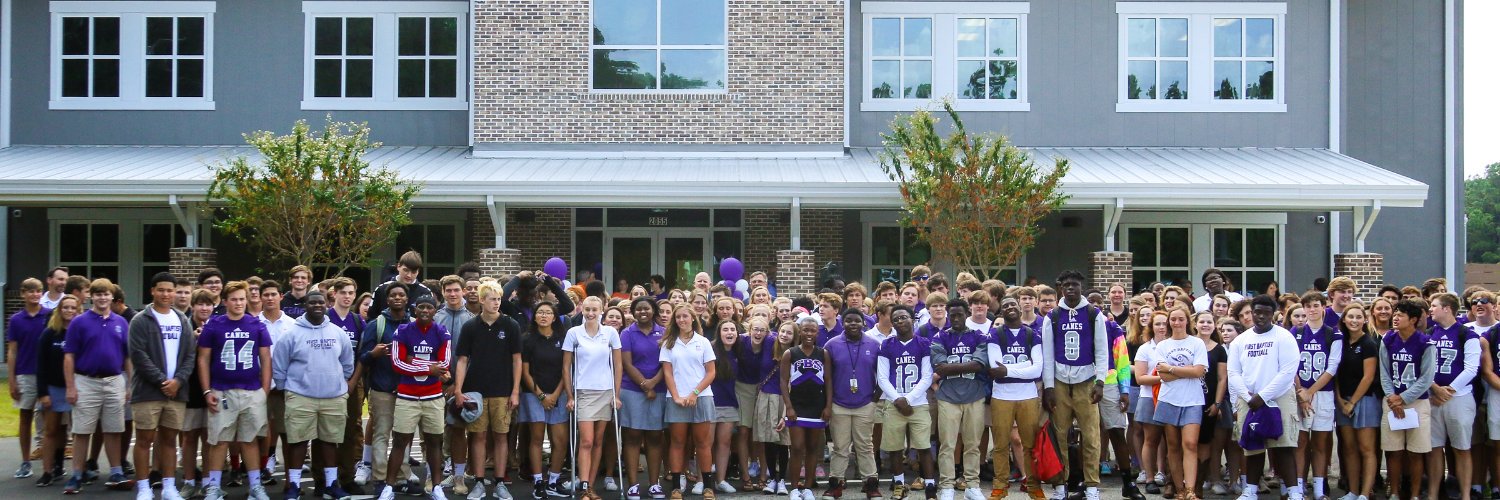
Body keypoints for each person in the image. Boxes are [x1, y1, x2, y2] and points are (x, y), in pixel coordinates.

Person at [271, 291, 355, 500]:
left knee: (330, 441)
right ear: (305, 305)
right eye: (312, 302)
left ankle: (331, 485)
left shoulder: (338, 333)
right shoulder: (291, 333)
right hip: (300, 395)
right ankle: (294, 486)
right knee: (298, 442)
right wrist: (285, 389)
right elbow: (279, 364)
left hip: (333, 396)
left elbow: (347, 363)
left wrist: (338, 383)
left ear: (326, 304)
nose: (317, 305)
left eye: (320, 302)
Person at [197, 281, 274, 500]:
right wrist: (206, 391)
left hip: (251, 391)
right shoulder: (214, 325)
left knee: (249, 440)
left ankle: (255, 486)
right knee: (220, 440)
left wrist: (264, 390)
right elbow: (203, 359)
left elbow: (266, 359)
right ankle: (214, 486)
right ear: (225, 301)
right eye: (234, 299)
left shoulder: (256, 325)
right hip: (222, 390)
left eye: (242, 299)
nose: (239, 303)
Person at [1040, 271, 1109, 500]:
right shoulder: (1053, 316)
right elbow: (1047, 355)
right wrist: (1049, 387)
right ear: (1060, 288)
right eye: (1066, 285)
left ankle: (1092, 486)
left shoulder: (1093, 314)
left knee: (1091, 435)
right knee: (1059, 435)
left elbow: (1102, 350)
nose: (1071, 288)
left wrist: (1100, 382)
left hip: (1086, 381)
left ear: (1081, 287)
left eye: (1075, 284)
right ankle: (1060, 486)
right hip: (1060, 382)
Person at [1227, 295, 1304, 500]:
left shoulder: (1284, 337)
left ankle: (1294, 492)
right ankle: (1250, 490)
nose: (1261, 316)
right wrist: (1248, 396)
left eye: (1266, 313)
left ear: (1273, 314)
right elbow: (1233, 372)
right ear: (1252, 313)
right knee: (1253, 446)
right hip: (1248, 398)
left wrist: (1263, 396)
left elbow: (1288, 371)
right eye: (1257, 312)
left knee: (1284, 445)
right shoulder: (1240, 341)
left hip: (1279, 396)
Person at [128, 272, 197, 500]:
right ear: (152, 291)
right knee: (144, 440)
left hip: (176, 393)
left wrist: (178, 381)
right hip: (148, 392)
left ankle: (169, 487)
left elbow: (190, 355)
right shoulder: (140, 320)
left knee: (169, 440)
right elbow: (138, 355)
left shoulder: (182, 319)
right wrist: (161, 381)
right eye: (161, 290)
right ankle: (144, 488)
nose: (166, 294)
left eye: (170, 290)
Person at [60, 278, 132, 493]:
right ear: (91, 296)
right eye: (98, 294)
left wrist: (130, 385)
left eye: (106, 294)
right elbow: (69, 357)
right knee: (82, 431)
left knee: (114, 429)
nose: (102, 298)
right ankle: (76, 475)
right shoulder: (79, 322)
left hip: (114, 380)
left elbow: (127, 357)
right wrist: (71, 387)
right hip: (86, 381)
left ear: (112, 296)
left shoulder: (121, 322)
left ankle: (116, 472)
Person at [453, 282, 523, 500]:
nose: (496, 303)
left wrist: (515, 391)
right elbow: (462, 360)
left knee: (502, 436)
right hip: (475, 392)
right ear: (482, 300)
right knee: (478, 436)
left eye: (499, 299)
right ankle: (479, 481)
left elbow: (517, 360)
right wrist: (458, 390)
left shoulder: (510, 325)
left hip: (503, 391)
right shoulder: (470, 326)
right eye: (492, 299)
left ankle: (500, 482)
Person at [377, 295, 451, 500]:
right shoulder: (403, 330)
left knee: (434, 442)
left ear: (435, 310)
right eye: (421, 307)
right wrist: (429, 367)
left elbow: (444, 364)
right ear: (415, 309)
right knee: (400, 441)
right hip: (407, 396)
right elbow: (397, 363)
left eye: (429, 307)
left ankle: (436, 487)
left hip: (433, 396)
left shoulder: (442, 331)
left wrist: (413, 360)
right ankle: (389, 487)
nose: (425, 310)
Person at [357, 282, 418, 496]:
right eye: (393, 295)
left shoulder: (415, 324)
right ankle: (380, 479)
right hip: (382, 388)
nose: (397, 298)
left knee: (403, 436)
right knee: (381, 435)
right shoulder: (377, 325)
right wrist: (373, 354)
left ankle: (401, 476)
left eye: (401, 294)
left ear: (407, 299)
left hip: (408, 389)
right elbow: (363, 357)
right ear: (387, 299)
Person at [562, 296, 623, 500]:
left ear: (601, 311)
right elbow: (566, 367)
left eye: (594, 310)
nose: (590, 313)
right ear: (582, 309)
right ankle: (584, 485)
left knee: (598, 441)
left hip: (605, 391)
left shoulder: (610, 333)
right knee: (586, 441)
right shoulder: (573, 333)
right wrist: (570, 395)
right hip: (583, 391)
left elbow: (618, 365)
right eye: (587, 309)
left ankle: (590, 486)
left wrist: (616, 394)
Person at [931, 298, 989, 500]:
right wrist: (968, 365)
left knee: (972, 443)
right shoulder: (940, 336)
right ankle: (947, 485)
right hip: (948, 396)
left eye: (959, 315)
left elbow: (979, 365)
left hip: (974, 395)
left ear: (967, 314)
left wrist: (951, 368)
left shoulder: (979, 336)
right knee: (947, 444)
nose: (955, 318)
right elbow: (940, 367)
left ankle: (972, 485)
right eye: (952, 315)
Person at [984, 297, 1042, 500]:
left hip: (1028, 395)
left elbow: (1037, 369)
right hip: (1002, 395)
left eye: (1012, 304)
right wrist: (1025, 365)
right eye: (1005, 305)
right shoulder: (995, 334)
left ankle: (1033, 485)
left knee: (1030, 444)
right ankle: (1000, 486)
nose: (1009, 307)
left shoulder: (1032, 334)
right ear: (1001, 311)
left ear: (1019, 307)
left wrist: (1008, 370)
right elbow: (995, 368)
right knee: (1000, 444)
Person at [1379, 298, 1437, 500]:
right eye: (1395, 314)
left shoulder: (1426, 343)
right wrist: (1392, 397)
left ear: (1413, 319)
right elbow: (1384, 372)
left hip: (1417, 402)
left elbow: (1427, 378)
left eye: (1400, 315)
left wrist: (1402, 398)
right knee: (1393, 451)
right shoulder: (1388, 339)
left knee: (1416, 451)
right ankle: (1394, 492)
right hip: (1391, 399)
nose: (1395, 318)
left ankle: (1414, 494)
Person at [1424, 293, 1480, 500]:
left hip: (1460, 399)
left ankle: (1465, 495)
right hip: (1433, 398)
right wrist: (1434, 388)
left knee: (1462, 448)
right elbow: (1423, 366)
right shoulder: (1429, 333)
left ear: (1447, 308)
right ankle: (1433, 494)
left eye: (1434, 306)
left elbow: (1471, 368)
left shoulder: (1467, 334)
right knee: (1434, 449)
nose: (1430, 309)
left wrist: (1448, 390)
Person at [1149, 308, 1209, 500]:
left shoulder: (1197, 343)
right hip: (1169, 399)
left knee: (1190, 444)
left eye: (1181, 319)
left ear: (1187, 321)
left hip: (1193, 400)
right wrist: (1185, 370)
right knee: (1173, 446)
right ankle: (1180, 490)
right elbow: (1163, 376)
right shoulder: (1163, 345)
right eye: (1173, 319)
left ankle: (1190, 489)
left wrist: (1172, 368)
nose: (1177, 322)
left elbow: (1199, 371)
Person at [660, 304, 717, 500]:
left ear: (693, 318)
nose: (681, 320)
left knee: (703, 443)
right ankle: (676, 488)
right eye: (678, 317)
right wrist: (676, 396)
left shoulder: (703, 342)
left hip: (701, 397)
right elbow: (667, 373)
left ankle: (708, 487)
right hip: (676, 399)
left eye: (685, 316)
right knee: (677, 443)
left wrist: (694, 394)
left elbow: (711, 372)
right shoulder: (668, 343)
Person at [823, 308, 880, 500]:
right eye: (849, 321)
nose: (853, 324)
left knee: (865, 446)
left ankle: (870, 484)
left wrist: (875, 398)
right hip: (839, 403)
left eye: (857, 320)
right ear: (842, 323)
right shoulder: (831, 345)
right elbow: (827, 377)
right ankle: (836, 484)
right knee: (840, 447)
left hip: (865, 403)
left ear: (863, 323)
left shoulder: (874, 344)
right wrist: (829, 403)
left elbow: (882, 373)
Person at [1291, 292, 1342, 500]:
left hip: (1323, 394)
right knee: (1300, 443)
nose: (1312, 310)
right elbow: (1290, 365)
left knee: (1320, 444)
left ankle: (1320, 489)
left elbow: (1332, 368)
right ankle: (1298, 488)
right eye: (1308, 306)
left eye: (1316, 305)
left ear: (1323, 307)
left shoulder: (1333, 334)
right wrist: (1301, 393)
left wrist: (1309, 392)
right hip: (1299, 392)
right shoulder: (1295, 332)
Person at [618, 297, 669, 500]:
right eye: (638, 309)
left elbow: (667, 362)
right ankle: (633, 485)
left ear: (653, 310)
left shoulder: (664, 332)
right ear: (633, 312)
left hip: (659, 389)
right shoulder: (627, 333)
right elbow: (626, 363)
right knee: (632, 435)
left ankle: (654, 484)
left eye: (646, 308)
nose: (642, 312)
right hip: (632, 390)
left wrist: (653, 383)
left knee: (655, 436)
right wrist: (644, 385)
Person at [520, 302, 572, 500]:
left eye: (548, 312)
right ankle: (538, 482)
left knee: (560, 440)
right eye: (540, 312)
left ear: (554, 317)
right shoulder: (527, 339)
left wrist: (556, 394)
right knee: (536, 438)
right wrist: (541, 396)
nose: (543, 315)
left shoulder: (563, 339)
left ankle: (553, 481)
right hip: (533, 395)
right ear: (534, 316)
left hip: (559, 393)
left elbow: (566, 369)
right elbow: (525, 371)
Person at [1333, 302, 1380, 500]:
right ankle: (1352, 492)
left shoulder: (1368, 343)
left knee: (1366, 449)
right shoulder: (1339, 342)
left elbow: (1368, 377)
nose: (1354, 320)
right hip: (1342, 401)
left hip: (1365, 400)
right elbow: (1334, 373)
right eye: (1350, 317)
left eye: (1358, 317)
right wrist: (1339, 400)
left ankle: (1364, 493)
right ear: (1344, 320)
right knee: (1349, 449)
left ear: (1365, 320)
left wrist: (1352, 402)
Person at [35, 295, 80, 487]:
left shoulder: (80, 332)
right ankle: (47, 471)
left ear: (78, 310)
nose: (69, 311)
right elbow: (40, 364)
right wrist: (43, 393)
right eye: (65, 307)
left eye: (73, 308)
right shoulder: (49, 333)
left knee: (75, 430)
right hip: (53, 388)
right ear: (59, 310)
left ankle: (66, 467)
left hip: (77, 387)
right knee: (51, 430)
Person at [782, 314, 827, 500]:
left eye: (812, 330)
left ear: (817, 333)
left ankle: (808, 487)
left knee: (813, 448)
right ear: (799, 332)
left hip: (817, 406)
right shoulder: (790, 353)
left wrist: (828, 406)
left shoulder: (823, 353)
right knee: (797, 447)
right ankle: (794, 488)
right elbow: (783, 382)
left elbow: (829, 381)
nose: (809, 333)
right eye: (805, 330)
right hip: (797, 406)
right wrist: (789, 407)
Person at [9, 277, 48, 479]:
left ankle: (52, 462)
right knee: (25, 417)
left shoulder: (49, 315)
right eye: (30, 291)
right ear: (23, 294)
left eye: (38, 291)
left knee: (50, 419)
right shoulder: (16, 320)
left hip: (47, 374)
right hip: (25, 373)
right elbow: (12, 351)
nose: (35, 294)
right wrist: (12, 379)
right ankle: (25, 461)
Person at [709, 321, 744, 495]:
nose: (729, 332)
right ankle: (702, 480)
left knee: (724, 443)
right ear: (719, 332)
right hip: (709, 402)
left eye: (732, 330)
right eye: (725, 329)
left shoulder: (739, 351)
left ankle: (720, 480)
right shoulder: (710, 349)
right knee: (706, 444)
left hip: (730, 403)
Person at [368, 251, 435, 321]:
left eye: (413, 272)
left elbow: (430, 320)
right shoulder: (381, 289)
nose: (409, 275)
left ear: (418, 272)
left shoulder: (425, 292)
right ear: (398, 266)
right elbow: (371, 317)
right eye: (406, 270)